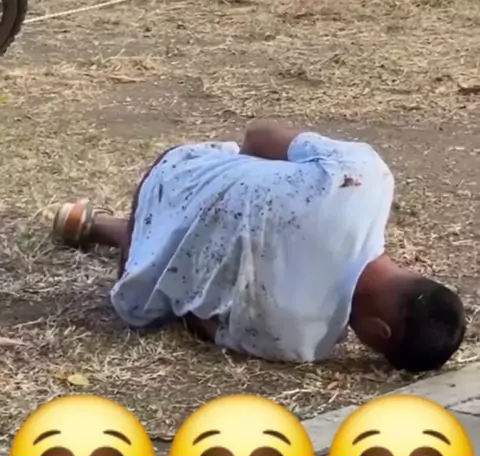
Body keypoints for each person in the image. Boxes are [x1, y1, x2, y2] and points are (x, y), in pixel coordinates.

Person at [52, 119, 466, 372]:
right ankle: (115, 230)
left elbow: (259, 135)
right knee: (196, 271)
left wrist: (258, 187)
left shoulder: (369, 177)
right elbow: (201, 322)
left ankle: (106, 223)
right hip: (140, 271)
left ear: (417, 277)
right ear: (378, 332)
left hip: (175, 172)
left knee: (239, 203)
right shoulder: (301, 340)